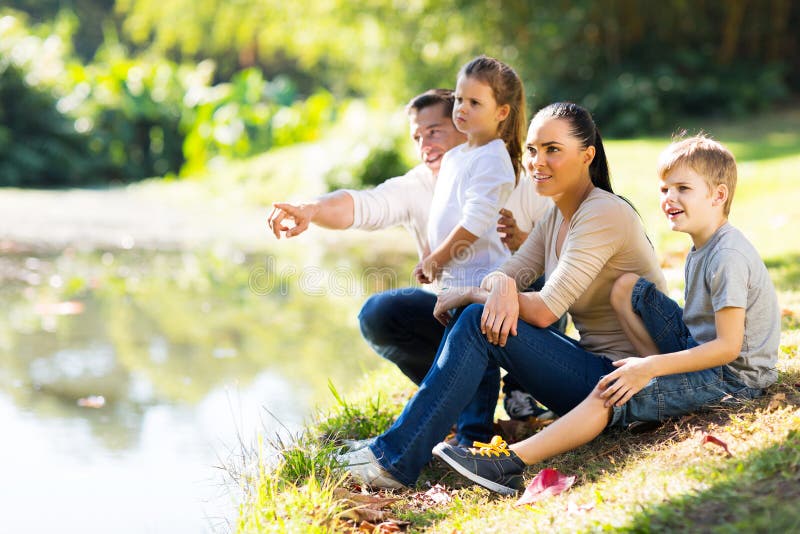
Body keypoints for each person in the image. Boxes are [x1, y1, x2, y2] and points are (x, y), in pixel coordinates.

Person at [339, 101, 666, 490]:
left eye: (553, 150)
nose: (537, 161)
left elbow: (545, 310)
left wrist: (470, 294)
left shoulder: (603, 213)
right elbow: (506, 275)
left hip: (628, 386)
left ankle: (393, 459)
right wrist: (485, 290)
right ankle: (413, 445)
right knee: (477, 312)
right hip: (590, 378)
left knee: (478, 317)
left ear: (587, 156)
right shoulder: (556, 216)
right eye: (531, 150)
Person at [431, 135, 780, 496]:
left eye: (683, 189)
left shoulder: (727, 257)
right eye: (664, 189)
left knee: (609, 389)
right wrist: (651, 365)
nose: (669, 199)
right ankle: (657, 392)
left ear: (718, 195)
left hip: (735, 380)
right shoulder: (702, 247)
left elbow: (727, 347)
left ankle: (507, 464)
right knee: (628, 287)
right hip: (702, 352)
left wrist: (648, 370)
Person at [268, 88, 552, 422]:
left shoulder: (516, 175)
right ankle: (456, 399)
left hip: (520, 316)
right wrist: (312, 209)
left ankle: (522, 388)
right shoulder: (416, 186)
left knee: (542, 270)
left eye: (433, 132)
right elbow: (362, 205)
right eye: (417, 137)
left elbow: (568, 247)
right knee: (379, 313)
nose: (424, 145)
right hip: (457, 318)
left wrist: (526, 244)